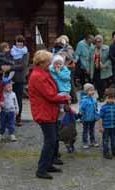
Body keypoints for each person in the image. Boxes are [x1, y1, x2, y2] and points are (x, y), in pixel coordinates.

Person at [28, 50, 71, 180]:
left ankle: (48, 164)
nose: (50, 63)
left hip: (49, 110)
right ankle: (41, 169)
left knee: (53, 139)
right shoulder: (38, 76)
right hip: (44, 111)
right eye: (48, 61)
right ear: (42, 62)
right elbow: (50, 95)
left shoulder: (43, 73)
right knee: (50, 140)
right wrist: (64, 98)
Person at [98, 88, 115, 159]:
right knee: (105, 140)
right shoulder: (103, 108)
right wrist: (100, 127)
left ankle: (114, 151)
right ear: (105, 98)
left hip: (114, 127)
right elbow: (101, 118)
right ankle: (106, 153)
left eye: (112, 98)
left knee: (114, 140)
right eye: (109, 98)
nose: (111, 100)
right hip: (106, 127)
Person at [10, 35, 29, 127]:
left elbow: (23, 65)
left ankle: (18, 117)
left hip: (20, 78)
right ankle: (10, 118)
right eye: (18, 41)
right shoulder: (12, 51)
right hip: (10, 78)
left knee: (18, 99)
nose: (19, 43)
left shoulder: (25, 52)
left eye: (21, 42)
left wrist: (11, 67)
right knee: (9, 98)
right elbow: (8, 61)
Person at [89, 35, 112, 101]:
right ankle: (100, 95)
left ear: (102, 41)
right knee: (97, 83)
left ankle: (103, 96)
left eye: (99, 41)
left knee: (102, 84)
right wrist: (89, 69)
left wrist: (104, 65)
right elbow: (90, 60)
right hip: (95, 68)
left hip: (103, 69)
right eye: (96, 41)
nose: (98, 43)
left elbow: (110, 59)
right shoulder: (92, 49)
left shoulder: (107, 48)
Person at [78, 83, 100, 149]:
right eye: (90, 90)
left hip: (92, 118)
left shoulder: (94, 99)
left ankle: (92, 141)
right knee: (85, 130)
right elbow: (81, 109)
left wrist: (96, 114)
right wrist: (81, 116)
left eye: (93, 90)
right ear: (86, 91)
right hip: (85, 118)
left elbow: (95, 107)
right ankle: (85, 142)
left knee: (92, 130)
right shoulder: (84, 100)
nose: (93, 91)